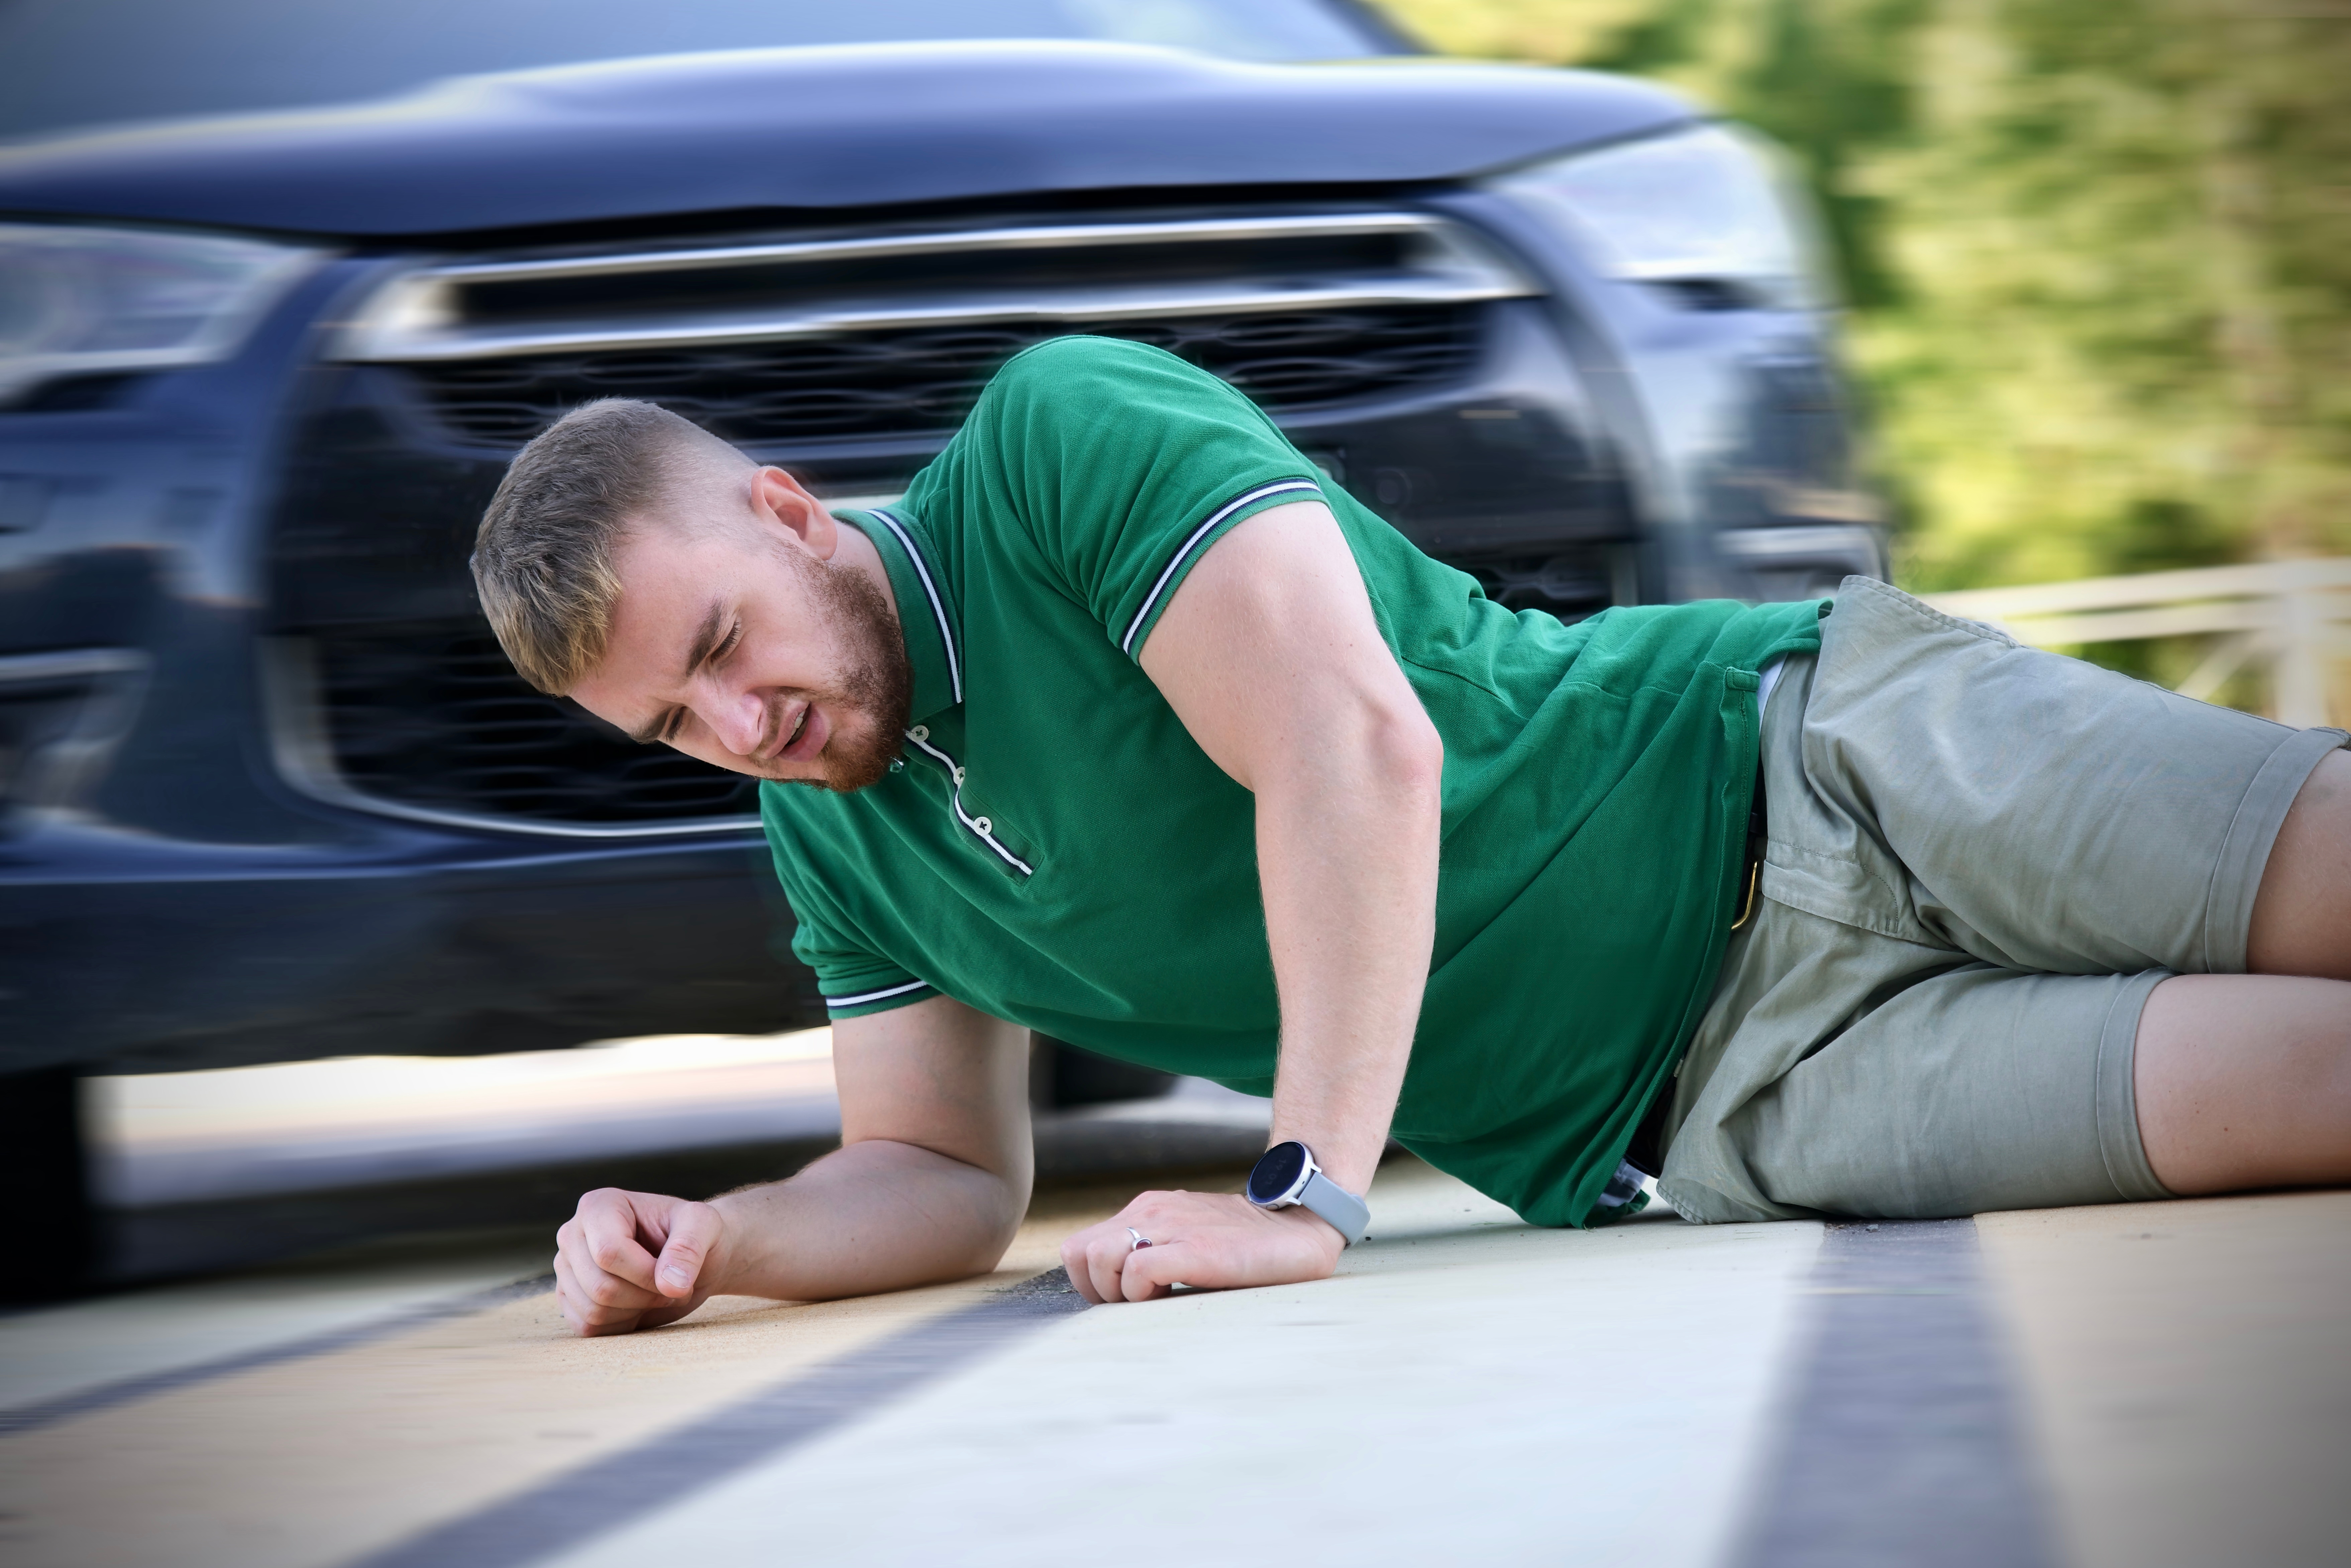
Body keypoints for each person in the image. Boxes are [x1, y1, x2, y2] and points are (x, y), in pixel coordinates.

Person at [469, 336, 2350, 1337]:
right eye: (672, 728)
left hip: (1805, 754)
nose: (741, 729)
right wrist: (722, 1238)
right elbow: (936, 1170)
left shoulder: (1053, 442)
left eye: (720, 647)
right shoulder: (834, 838)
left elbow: (1348, 743)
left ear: (790, 513)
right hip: (1742, 1100)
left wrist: (1302, 1193)